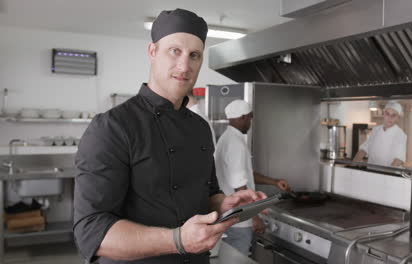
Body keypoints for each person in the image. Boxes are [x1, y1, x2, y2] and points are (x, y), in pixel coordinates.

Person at [73, 9, 266, 264]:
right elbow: (91, 231)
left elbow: (208, 194)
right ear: (153, 52)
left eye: (194, 55)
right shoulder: (112, 127)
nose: (184, 66)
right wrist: (177, 241)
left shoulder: (200, 127)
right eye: (175, 51)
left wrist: (225, 204)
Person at [214, 99, 291, 255]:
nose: (250, 121)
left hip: (229, 217)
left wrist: (274, 182)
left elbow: (245, 175)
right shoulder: (235, 143)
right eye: (250, 117)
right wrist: (254, 217)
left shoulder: (226, 138)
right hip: (238, 222)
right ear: (243, 117)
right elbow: (240, 188)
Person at [353, 101, 407, 167]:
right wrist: (353, 165)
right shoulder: (375, 130)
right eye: (387, 114)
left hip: (389, 174)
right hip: (372, 171)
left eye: (393, 115)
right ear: (383, 114)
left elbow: (398, 160)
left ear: (398, 118)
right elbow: (364, 149)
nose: (390, 117)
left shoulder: (400, 134)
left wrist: (385, 175)